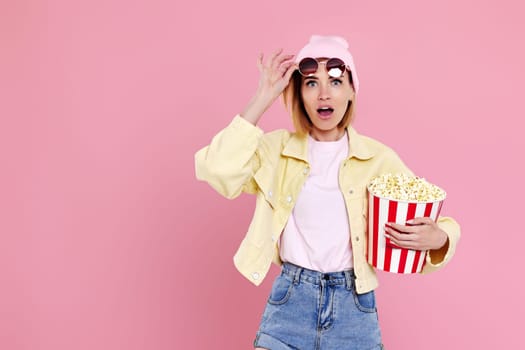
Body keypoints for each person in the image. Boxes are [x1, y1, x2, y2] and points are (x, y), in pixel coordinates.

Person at [194, 35, 460, 350]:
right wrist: (263, 96)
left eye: (335, 82)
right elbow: (216, 168)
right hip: (290, 301)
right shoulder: (275, 150)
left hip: (354, 308)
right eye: (310, 83)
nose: (323, 94)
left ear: (351, 91)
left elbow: (433, 216)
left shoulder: (377, 159)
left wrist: (440, 239)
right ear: (298, 93)